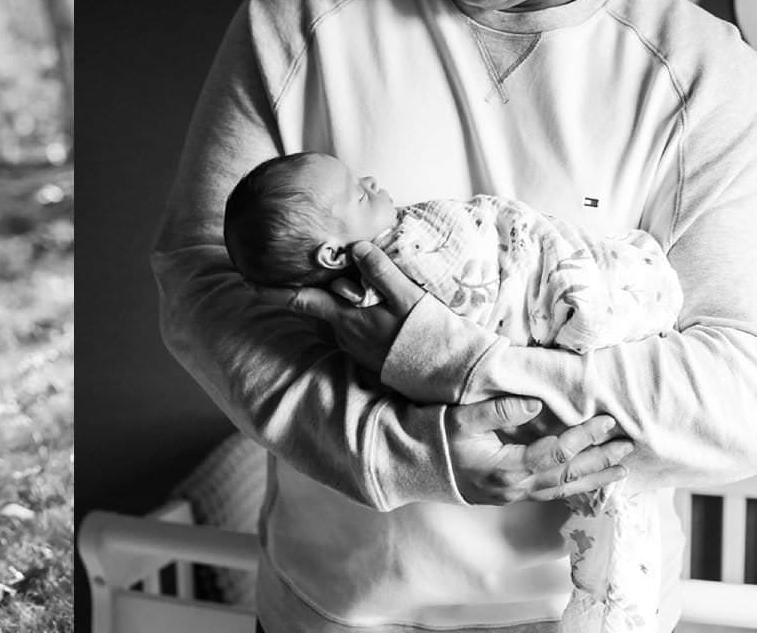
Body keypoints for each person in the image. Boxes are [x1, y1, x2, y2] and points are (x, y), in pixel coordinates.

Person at [152, 0, 757, 633]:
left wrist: (468, 373)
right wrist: (403, 446)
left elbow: (738, 396)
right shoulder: (297, 16)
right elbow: (198, 285)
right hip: (328, 612)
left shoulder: (701, 78)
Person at [225, 151, 684, 632]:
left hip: (530, 589)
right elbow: (472, 295)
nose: (373, 178)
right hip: (349, 602)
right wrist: (427, 379)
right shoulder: (387, 278)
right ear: (334, 255)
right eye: (359, 193)